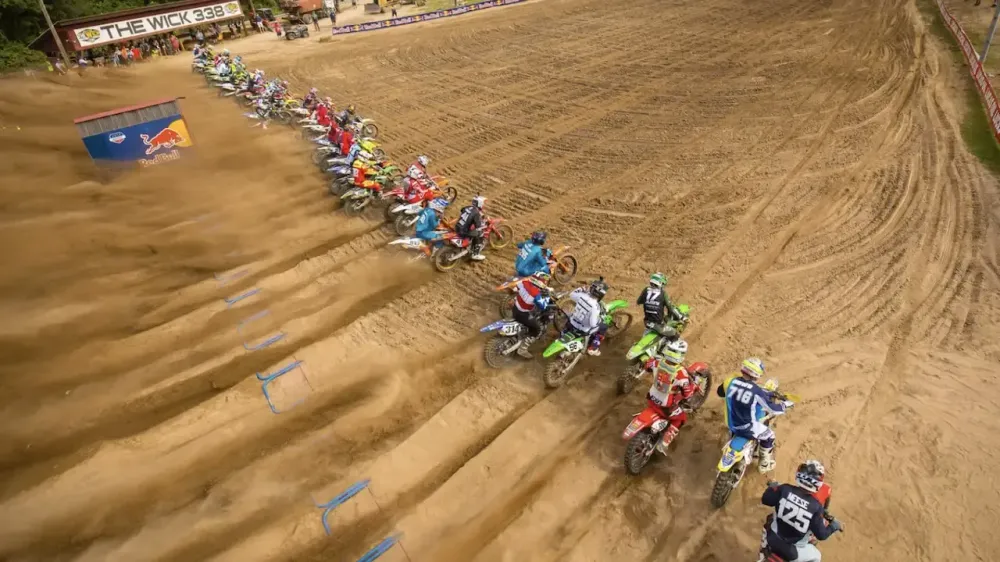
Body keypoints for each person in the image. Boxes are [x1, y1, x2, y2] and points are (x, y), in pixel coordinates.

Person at [716, 358, 790, 473]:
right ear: (757, 374)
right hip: (746, 427)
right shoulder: (756, 391)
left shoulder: (730, 381)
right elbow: (772, 409)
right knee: (769, 435)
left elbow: (720, 392)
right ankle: (764, 464)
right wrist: (785, 405)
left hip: (730, 422)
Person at [759, 461, 842, 562]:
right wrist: (834, 526)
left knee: (771, 519)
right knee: (817, 556)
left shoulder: (784, 489)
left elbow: (765, 499)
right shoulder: (816, 507)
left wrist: (773, 487)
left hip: (772, 538)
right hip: (790, 550)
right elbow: (822, 535)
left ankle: (763, 550)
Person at [645, 349, 701, 453]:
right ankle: (663, 444)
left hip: (651, 397)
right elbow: (687, 394)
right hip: (665, 406)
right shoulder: (681, 373)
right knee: (681, 418)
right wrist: (693, 386)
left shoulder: (657, 362)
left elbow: (647, 366)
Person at [637, 272, 687, 352]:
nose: (663, 285)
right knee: (675, 333)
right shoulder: (662, 293)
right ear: (660, 283)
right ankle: (664, 352)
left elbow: (639, 302)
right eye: (663, 283)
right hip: (658, 325)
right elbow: (670, 308)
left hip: (647, 322)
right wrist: (682, 317)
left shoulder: (646, 290)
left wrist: (649, 303)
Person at [511, 271, 553, 358]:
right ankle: (522, 349)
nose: (546, 283)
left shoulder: (523, 282)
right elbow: (543, 306)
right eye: (545, 281)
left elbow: (515, 287)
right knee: (537, 329)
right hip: (523, 314)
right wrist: (547, 296)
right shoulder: (536, 294)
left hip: (515, 308)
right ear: (540, 282)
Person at [565, 278, 609, 356]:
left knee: (569, 314)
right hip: (583, 330)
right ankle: (593, 348)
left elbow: (571, 295)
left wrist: (581, 288)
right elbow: (593, 324)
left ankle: (564, 334)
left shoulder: (581, 296)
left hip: (571, 324)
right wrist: (600, 320)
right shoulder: (595, 307)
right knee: (604, 326)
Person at [454, 196, 488, 261]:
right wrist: (483, 223)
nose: (484, 205)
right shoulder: (476, 213)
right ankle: (475, 254)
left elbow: (462, 209)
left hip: (457, 226)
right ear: (480, 203)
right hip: (463, 231)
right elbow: (478, 226)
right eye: (483, 203)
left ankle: (470, 245)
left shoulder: (467, 207)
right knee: (480, 233)